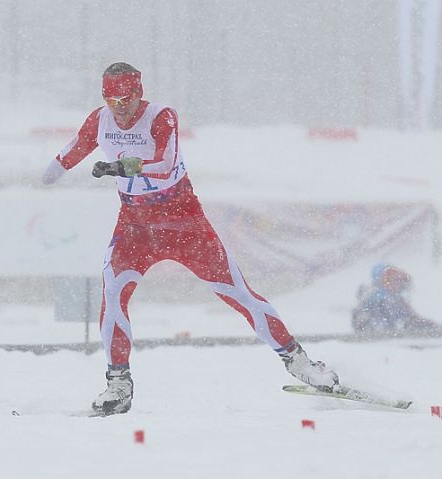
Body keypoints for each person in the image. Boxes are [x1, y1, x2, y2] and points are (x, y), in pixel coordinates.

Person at [42, 62, 338, 416]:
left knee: (237, 293)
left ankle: (300, 362)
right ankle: (118, 384)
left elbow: (164, 163)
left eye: (125, 98)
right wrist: (51, 172)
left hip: (184, 224)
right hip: (136, 226)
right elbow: (75, 147)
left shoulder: (161, 117)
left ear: (138, 93)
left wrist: (122, 167)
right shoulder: (100, 119)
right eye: (110, 99)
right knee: (112, 291)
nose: (118, 107)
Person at [351, 264, 440, 336]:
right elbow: (407, 320)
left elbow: (412, 317)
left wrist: (431, 326)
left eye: (399, 280)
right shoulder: (374, 298)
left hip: (391, 337)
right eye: (394, 279)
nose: (398, 283)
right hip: (381, 339)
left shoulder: (396, 299)